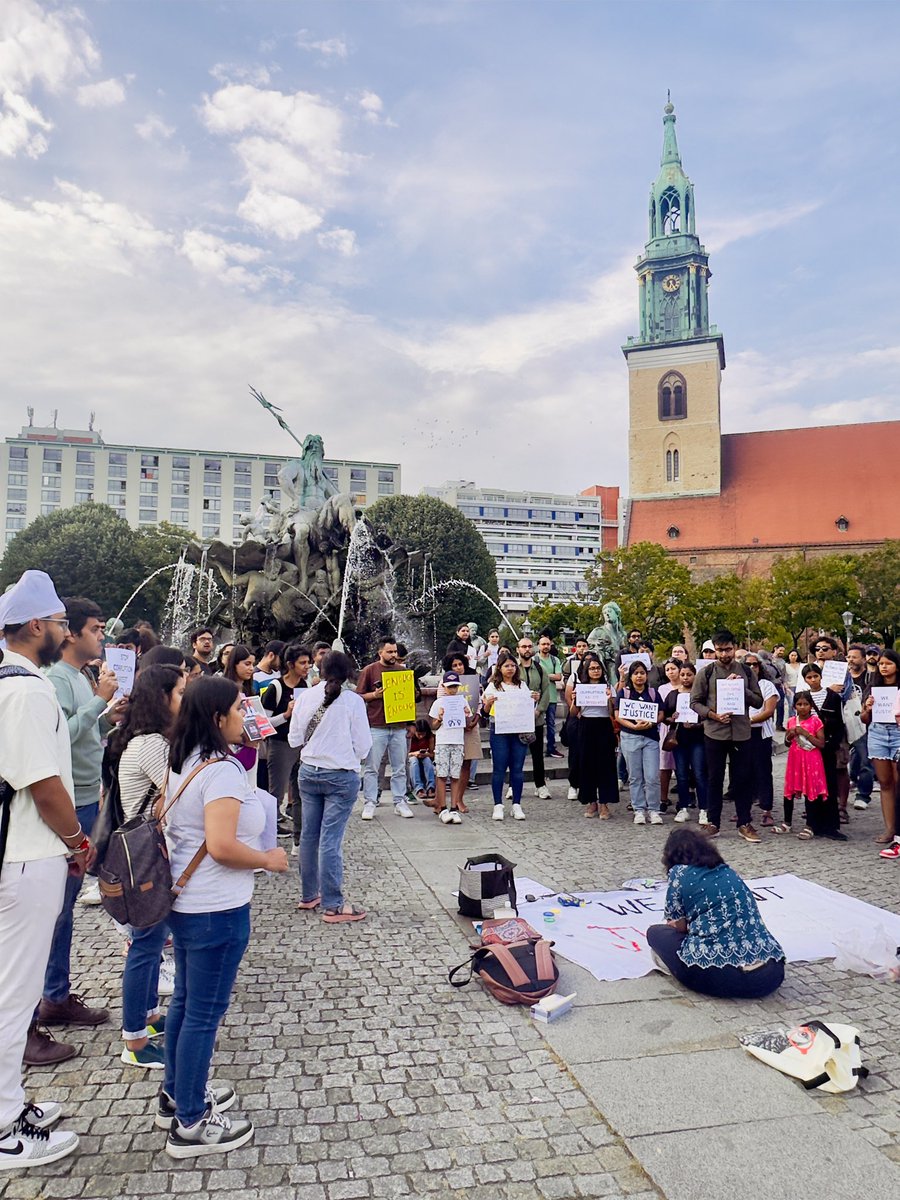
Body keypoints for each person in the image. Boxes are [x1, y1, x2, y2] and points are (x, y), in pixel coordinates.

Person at [160, 676, 288, 1157]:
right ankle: (192, 1122)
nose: (247, 713)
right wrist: (268, 859)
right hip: (215, 908)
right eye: (239, 707)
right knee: (203, 1015)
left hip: (191, 904)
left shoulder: (186, 758)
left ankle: (177, 1094)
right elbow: (221, 846)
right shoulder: (220, 771)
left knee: (187, 1004)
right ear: (218, 718)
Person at [0, 571, 84, 1167]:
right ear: (37, 627)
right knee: (15, 994)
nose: (62, 631)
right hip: (28, 856)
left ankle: (9, 1102)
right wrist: (78, 840)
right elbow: (45, 785)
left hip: (20, 853)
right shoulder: (27, 691)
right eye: (57, 623)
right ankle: (4, 1126)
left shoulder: (10, 680)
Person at [39, 597, 124, 1039]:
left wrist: (109, 715)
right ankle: (51, 997)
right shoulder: (55, 679)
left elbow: (88, 733)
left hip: (90, 795)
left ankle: (55, 992)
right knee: (59, 907)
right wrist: (99, 704)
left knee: (66, 905)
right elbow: (60, 736)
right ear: (70, 633)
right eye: (95, 628)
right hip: (71, 802)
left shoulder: (81, 676)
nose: (102, 636)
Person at [109, 663, 186, 1068]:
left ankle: (148, 1017)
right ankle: (135, 1044)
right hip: (145, 858)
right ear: (162, 699)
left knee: (151, 945)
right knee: (144, 947)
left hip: (141, 854)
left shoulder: (142, 739)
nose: (184, 701)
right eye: (179, 693)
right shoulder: (152, 744)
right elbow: (178, 795)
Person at [646, 829, 785, 999]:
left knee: (655, 933)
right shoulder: (727, 871)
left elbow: (679, 925)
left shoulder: (679, 873)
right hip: (770, 976)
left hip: (718, 977)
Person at [289, 651, 372, 921]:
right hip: (340, 774)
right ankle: (334, 904)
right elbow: (364, 745)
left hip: (309, 771)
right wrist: (349, 756)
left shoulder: (305, 697)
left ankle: (308, 894)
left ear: (320, 669)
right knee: (330, 839)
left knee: (309, 835)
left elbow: (293, 739)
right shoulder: (353, 701)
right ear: (349, 672)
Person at [689, 629, 764, 842]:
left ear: (734, 647)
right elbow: (694, 702)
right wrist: (713, 715)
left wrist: (740, 686)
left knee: (742, 780)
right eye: (719, 650)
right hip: (715, 732)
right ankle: (714, 823)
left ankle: (744, 822)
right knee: (714, 779)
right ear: (714, 649)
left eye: (728, 649)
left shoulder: (747, 672)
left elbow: (758, 701)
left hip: (741, 732)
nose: (724, 654)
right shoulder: (707, 672)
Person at [357, 639, 414, 820]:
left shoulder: (402, 671)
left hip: (398, 726)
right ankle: (370, 802)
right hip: (377, 725)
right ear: (380, 652)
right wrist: (374, 695)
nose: (393, 655)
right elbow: (358, 696)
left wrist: (411, 723)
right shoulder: (369, 670)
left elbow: (409, 698)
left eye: (395, 652)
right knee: (372, 767)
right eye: (389, 652)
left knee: (399, 767)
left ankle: (400, 801)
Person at [260, 643, 311, 840]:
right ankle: (268, 834)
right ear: (290, 665)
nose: (307, 666)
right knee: (276, 792)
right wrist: (286, 714)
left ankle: (300, 835)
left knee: (299, 792)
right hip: (280, 744)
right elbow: (263, 723)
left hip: (300, 744)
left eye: (308, 662)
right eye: (303, 663)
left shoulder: (304, 686)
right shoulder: (276, 688)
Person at [795, 663, 846, 840]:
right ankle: (813, 823)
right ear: (805, 680)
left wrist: (833, 744)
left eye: (815, 676)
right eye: (809, 677)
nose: (813, 680)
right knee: (811, 786)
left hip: (827, 747)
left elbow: (840, 723)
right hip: (809, 749)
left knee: (829, 785)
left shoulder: (833, 697)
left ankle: (831, 826)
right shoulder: (803, 697)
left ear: (821, 676)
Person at [483, 652, 534, 821]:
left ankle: (516, 804)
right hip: (500, 729)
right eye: (506, 666)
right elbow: (484, 711)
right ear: (499, 668)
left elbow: (527, 706)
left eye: (513, 665)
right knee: (499, 767)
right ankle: (498, 804)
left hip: (518, 729)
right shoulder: (493, 686)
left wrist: (533, 698)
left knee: (517, 768)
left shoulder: (522, 685)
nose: (510, 668)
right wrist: (489, 702)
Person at [862, 649, 900, 858]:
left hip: (898, 733)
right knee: (885, 783)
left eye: (888, 663)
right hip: (877, 733)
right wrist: (868, 708)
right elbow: (865, 719)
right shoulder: (873, 687)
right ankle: (890, 828)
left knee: (898, 781)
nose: (884, 667)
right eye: (881, 664)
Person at [569, 653, 617, 819]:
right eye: (592, 668)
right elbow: (574, 713)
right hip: (586, 725)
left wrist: (610, 700)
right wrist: (575, 701)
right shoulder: (581, 687)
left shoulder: (609, 687)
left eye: (598, 668)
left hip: (604, 725)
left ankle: (604, 803)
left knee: (605, 764)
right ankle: (591, 802)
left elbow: (613, 714)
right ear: (586, 670)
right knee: (587, 764)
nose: (595, 671)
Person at [616, 660, 664, 824]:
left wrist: (651, 723)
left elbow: (661, 713)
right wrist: (633, 726)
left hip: (650, 738)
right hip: (630, 737)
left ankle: (654, 810)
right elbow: (618, 715)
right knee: (635, 776)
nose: (639, 676)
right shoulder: (624, 693)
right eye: (636, 673)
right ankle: (639, 809)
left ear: (646, 675)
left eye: (642, 673)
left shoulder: (653, 693)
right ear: (631, 675)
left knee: (652, 776)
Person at [663, 662, 707, 823]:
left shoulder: (701, 695)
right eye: (683, 674)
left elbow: (708, 716)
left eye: (689, 674)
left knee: (699, 774)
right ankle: (683, 807)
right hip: (679, 739)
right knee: (681, 775)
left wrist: (697, 724)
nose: (686, 678)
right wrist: (671, 718)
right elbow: (664, 717)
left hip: (698, 739)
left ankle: (704, 809)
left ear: (695, 676)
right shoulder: (673, 695)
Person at [781, 691, 829, 838]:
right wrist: (790, 735)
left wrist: (806, 733)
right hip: (795, 759)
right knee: (790, 789)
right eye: (799, 704)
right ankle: (787, 822)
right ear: (794, 706)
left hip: (811, 759)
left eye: (806, 704)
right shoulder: (791, 721)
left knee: (810, 790)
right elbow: (787, 743)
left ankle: (810, 825)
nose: (802, 707)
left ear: (811, 706)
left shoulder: (816, 721)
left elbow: (821, 743)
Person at [429, 672, 473, 825]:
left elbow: (467, 724)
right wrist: (440, 718)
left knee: (455, 775)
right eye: (449, 687)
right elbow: (433, 726)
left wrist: (467, 715)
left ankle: (454, 807)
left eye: (455, 687)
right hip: (443, 741)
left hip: (457, 741)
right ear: (444, 687)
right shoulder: (438, 703)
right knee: (441, 774)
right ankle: (442, 807)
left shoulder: (462, 702)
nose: (452, 690)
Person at [440, 652, 482, 807]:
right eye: (454, 666)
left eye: (460, 664)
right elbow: (440, 703)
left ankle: (459, 799)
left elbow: (479, 703)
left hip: (470, 726)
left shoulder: (473, 681)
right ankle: (444, 801)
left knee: (466, 763)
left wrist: (475, 719)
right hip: (452, 729)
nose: (458, 668)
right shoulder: (443, 683)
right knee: (449, 764)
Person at [745, 653, 778, 828]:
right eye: (747, 665)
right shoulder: (739, 685)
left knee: (763, 772)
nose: (751, 668)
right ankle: (744, 809)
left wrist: (749, 721)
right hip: (742, 735)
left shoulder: (766, 685)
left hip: (760, 734)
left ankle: (767, 810)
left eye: (754, 665)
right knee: (743, 773)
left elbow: (769, 711)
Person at [516, 636, 552, 800]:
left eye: (529, 646)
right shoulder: (513, 668)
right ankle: (513, 785)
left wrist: (539, 710)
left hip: (535, 717)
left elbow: (546, 691)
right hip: (516, 719)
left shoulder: (539, 668)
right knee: (516, 754)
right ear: (518, 649)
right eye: (523, 647)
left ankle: (540, 785)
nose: (527, 649)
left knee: (537, 754)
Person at [846, 644, 875, 810]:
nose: (850, 660)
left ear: (863, 660)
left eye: (854, 657)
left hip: (863, 724)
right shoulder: (842, 677)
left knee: (865, 759)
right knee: (852, 757)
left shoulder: (871, 678)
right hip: (845, 721)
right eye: (849, 657)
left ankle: (863, 795)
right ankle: (852, 779)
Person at [657, 659, 681, 809]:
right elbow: (660, 710)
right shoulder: (662, 689)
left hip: (684, 729)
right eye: (667, 670)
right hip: (667, 729)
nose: (670, 672)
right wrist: (667, 718)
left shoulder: (687, 686)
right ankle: (663, 798)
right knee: (664, 765)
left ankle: (683, 798)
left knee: (681, 765)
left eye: (673, 669)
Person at [537, 635, 564, 758]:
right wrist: (550, 675)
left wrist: (542, 675)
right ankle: (535, 748)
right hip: (537, 697)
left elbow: (558, 677)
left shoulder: (555, 660)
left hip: (552, 697)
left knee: (551, 724)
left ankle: (551, 748)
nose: (546, 646)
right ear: (539, 646)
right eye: (543, 644)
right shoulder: (534, 660)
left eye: (548, 644)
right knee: (536, 724)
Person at [407, 718, 435, 800]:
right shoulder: (410, 737)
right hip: (412, 757)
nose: (421, 736)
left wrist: (426, 754)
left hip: (425, 757)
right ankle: (419, 788)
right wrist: (414, 754)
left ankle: (431, 787)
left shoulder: (430, 738)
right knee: (414, 761)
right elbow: (405, 754)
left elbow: (432, 754)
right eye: (418, 734)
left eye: (423, 734)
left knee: (427, 761)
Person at [783, 649, 803, 719]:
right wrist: (786, 688)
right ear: (789, 656)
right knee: (791, 704)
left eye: (795, 655)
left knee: (800, 704)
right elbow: (784, 678)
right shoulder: (786, 666)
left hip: (800, 687)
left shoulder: (801, 665)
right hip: (790, 687)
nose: (793, 657)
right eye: (792, 655)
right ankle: (791, 720)